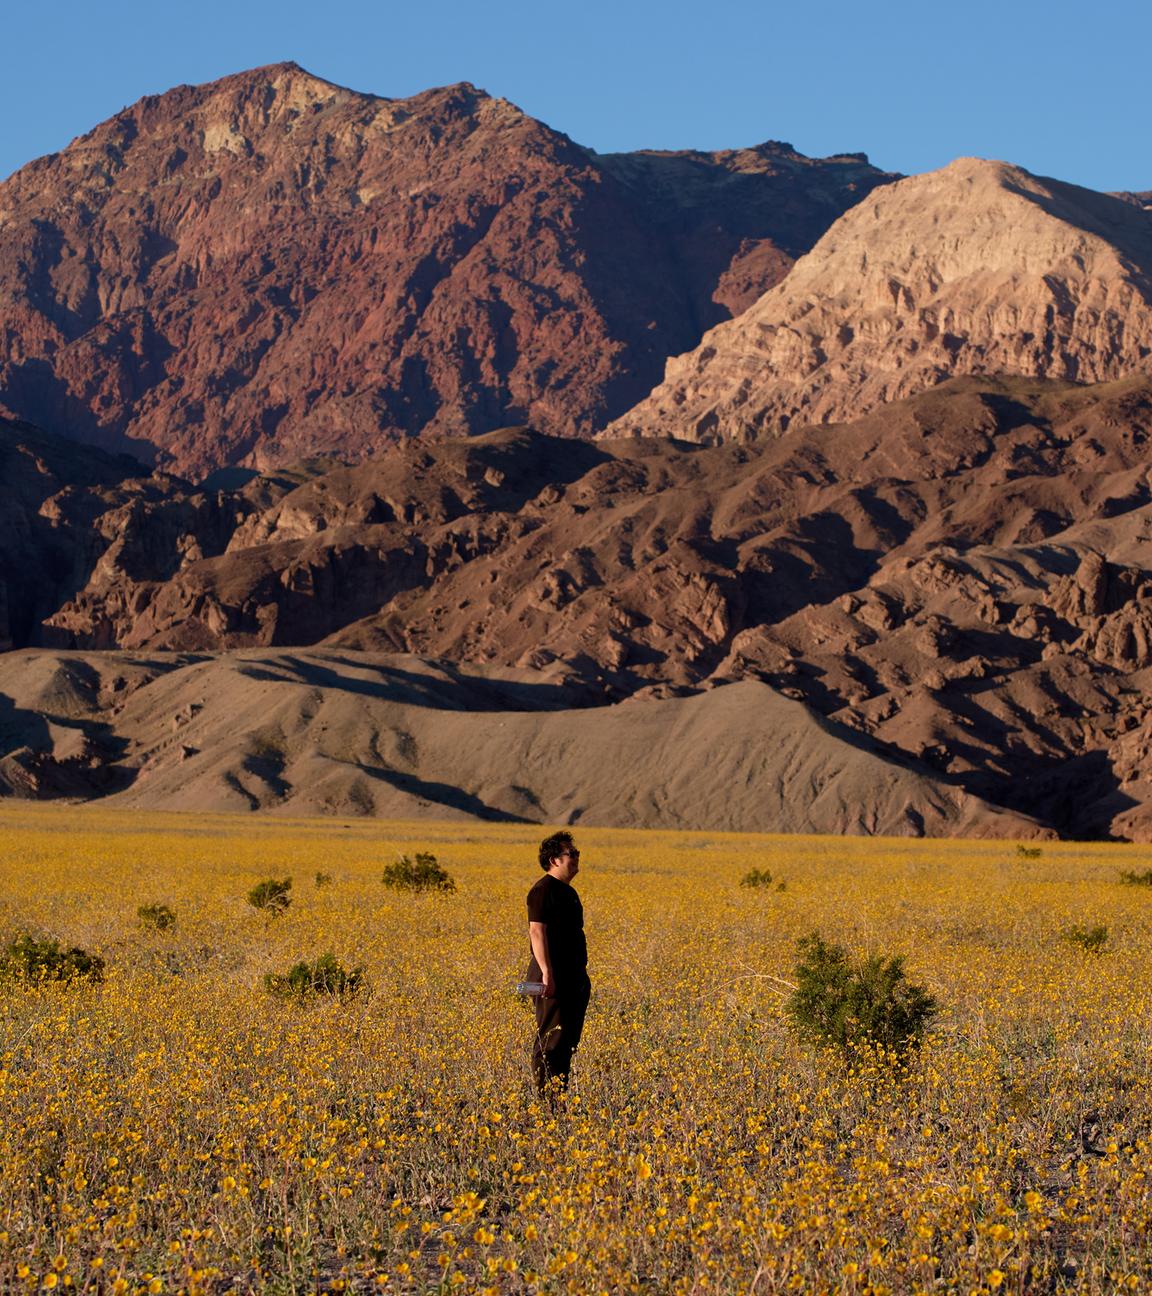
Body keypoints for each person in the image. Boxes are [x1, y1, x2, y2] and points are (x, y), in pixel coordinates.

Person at [525, 830, 590, 1096]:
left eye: (576, 854)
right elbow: (536, 932)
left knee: (567, 1041)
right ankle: (546, 1102)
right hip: (552, 976)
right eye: (570, 854)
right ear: (554, 860)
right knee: (551, 1040)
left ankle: (558, 1099)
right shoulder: (543, 890)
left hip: (572, 976)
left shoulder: (567, 892)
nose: (576, 858)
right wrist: (547, 974)